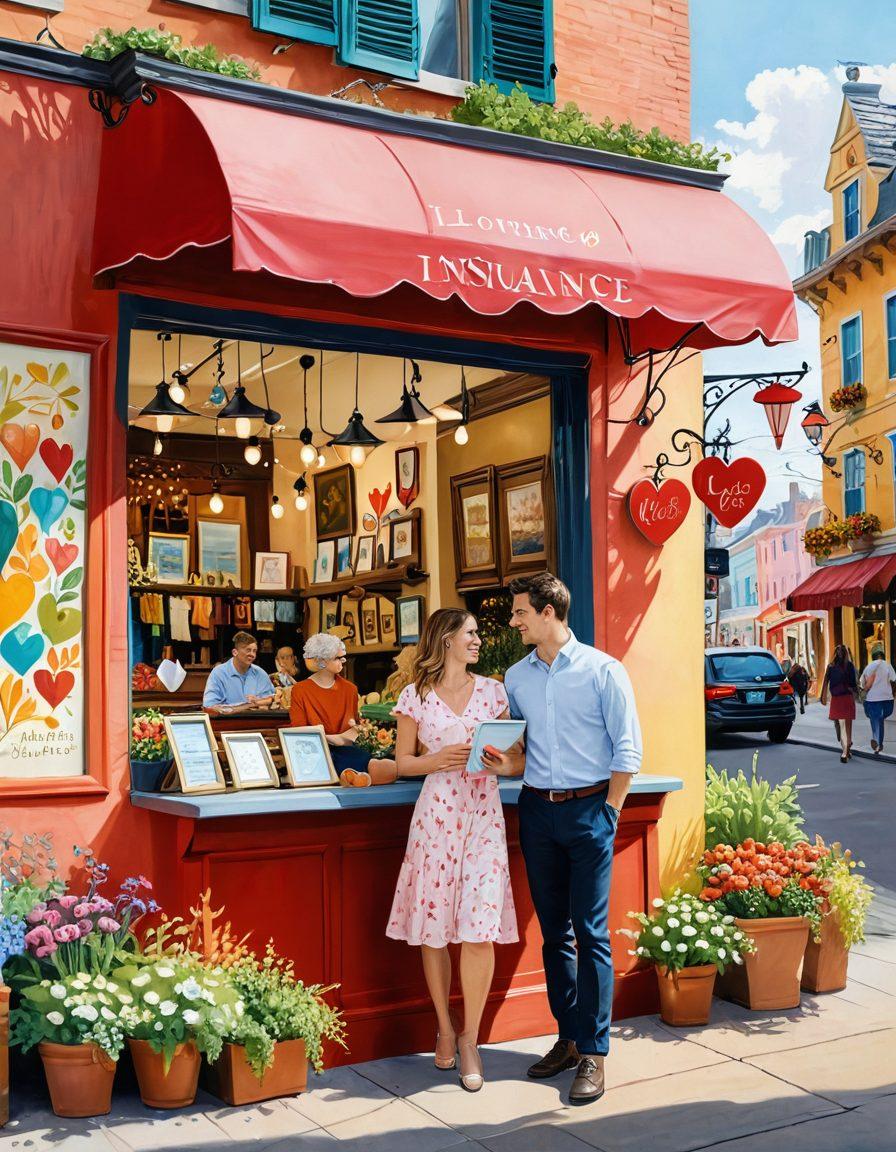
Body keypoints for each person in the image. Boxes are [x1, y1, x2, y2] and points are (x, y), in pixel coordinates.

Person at [502, 572, 641, 1106]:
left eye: (520, 612)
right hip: (536, 811)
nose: (514, 621)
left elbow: (627, 750)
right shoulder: (516, 677)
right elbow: (516, 751)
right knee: (554, 934)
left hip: (590, 812)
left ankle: (595, 1054)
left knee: (592, 935)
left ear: (547, 612)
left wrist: (609, 813)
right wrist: (499, 760)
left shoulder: (605, 671)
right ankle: (567, 1037)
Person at [387, 608, 521, 1093]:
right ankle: (443, 1025)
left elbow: (516, 758)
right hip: (436, 816)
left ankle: (470, 1039)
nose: (478, 641)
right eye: (470, 634)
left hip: (483, 818)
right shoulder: (415, 695)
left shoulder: (494, 691)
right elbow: (401, 763)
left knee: (479, 929)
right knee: (436, 928)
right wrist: (432, 761)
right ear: (445, 639)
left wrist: (502, 762)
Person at [289, 633, 396, 784]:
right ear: (321, 660)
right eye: (336, 658)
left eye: (342, 657)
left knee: (369, 761)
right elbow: (298, 731)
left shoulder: (350, 689)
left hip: (345, 750)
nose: (342, 661)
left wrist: (342, 738)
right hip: (313, 752)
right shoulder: (300, 690)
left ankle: (354, 775)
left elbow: (354, 727)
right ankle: (352, 776)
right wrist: (334, 739)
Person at [202, 632, 275, 712]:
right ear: (235, 652)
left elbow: (270, 701)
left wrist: (259, 702)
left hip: (257, 720)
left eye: (254, 651)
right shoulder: (219, 673)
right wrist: (249, 705)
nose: (252, 654)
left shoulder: (261, 674)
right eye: (248, 650)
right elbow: (209, 706)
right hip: (227, 722)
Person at [820, 644, 858, 763]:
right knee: (848, 726)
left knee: (842, 727)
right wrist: (855, 691)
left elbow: (825, 682)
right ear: (846, 654)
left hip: (837, 699)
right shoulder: (850, 665)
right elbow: (853, 683)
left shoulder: (830, 666)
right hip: (847, 697)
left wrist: (823, 697)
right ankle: (846, 749)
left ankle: (845, 751)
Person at [859, 643, 896, 755]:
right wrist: (892, 693)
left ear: (873, 656)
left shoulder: (869, 667)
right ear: (883, 655)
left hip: (873, 700)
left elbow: (862, 684)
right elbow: (894, 680)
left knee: (876, 720)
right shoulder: (888, 665)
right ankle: (878, 742)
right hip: (887, 700)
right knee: (879, 720)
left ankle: (877, 742)